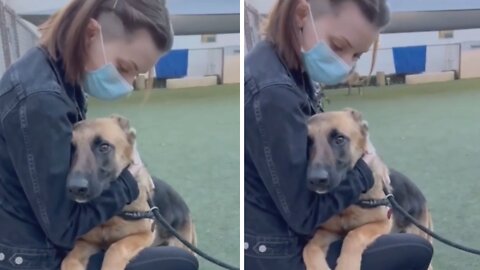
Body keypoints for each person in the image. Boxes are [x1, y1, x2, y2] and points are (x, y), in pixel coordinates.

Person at [0, 0, 198, 269]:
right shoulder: (41, 99)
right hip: (33, 257)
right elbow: (65, 228)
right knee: (179, 262)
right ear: (91, 34)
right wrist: (130, 181)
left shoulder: (59, 77)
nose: (128, 85)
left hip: (42, 239)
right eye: (125, 67)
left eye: (136, 75)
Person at [244, 0, 434, 269]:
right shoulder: (273, 92)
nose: (346, 65)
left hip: (290, 237)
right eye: (338, 46)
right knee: (415, 251)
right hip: (278, 253)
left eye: (356, 55)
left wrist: (363, 145)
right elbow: (305, 216)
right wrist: (364, 171)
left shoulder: (289, 67)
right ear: (301, 15)